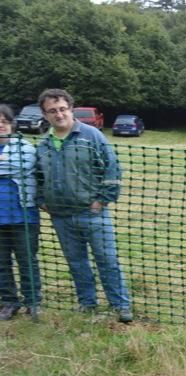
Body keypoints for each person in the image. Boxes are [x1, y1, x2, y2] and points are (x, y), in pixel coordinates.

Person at [35, 89, 132, 323]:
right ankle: (87, 303)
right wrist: (42, 201)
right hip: (61, 217)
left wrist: (103, 199)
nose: (58, 114)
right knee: (76, 263)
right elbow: (37, 177)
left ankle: (121, 306)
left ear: (70, 109)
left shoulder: (92, 136)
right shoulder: (44, 145)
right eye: (52, 111)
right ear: (45, 115)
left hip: (93, 213)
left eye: (62, 109)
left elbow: (112, 169)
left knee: (107, 261)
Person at [0, 104, 42, 320]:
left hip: (24, 216)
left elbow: (16, 167)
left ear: (11, 124)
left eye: (4, 121)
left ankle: (33, 302)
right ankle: (9, 302)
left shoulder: (25, 148)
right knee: (1, 263)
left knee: (27, 260)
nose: (0, 125)